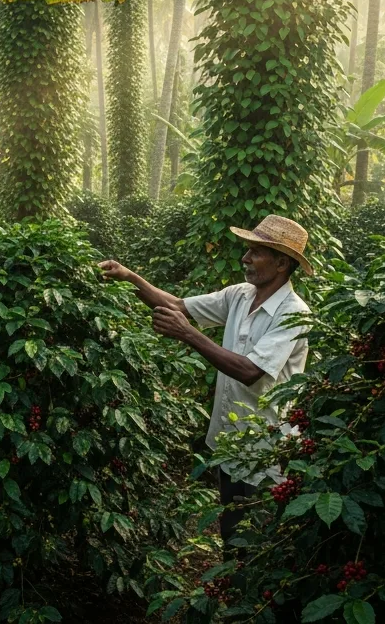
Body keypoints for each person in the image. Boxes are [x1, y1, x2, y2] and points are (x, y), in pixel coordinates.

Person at [99, 214, 313, 545]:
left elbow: (250, 371)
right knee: (231, 530)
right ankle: (232, 594)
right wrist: (129, 277)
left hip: (266, 449)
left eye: (255, 252)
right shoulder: (240, 295)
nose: (245, 259)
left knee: (259, 538)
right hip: (230, 440)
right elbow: (177, 306)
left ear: (282, 262)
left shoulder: (293, 314)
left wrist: (189, 336)